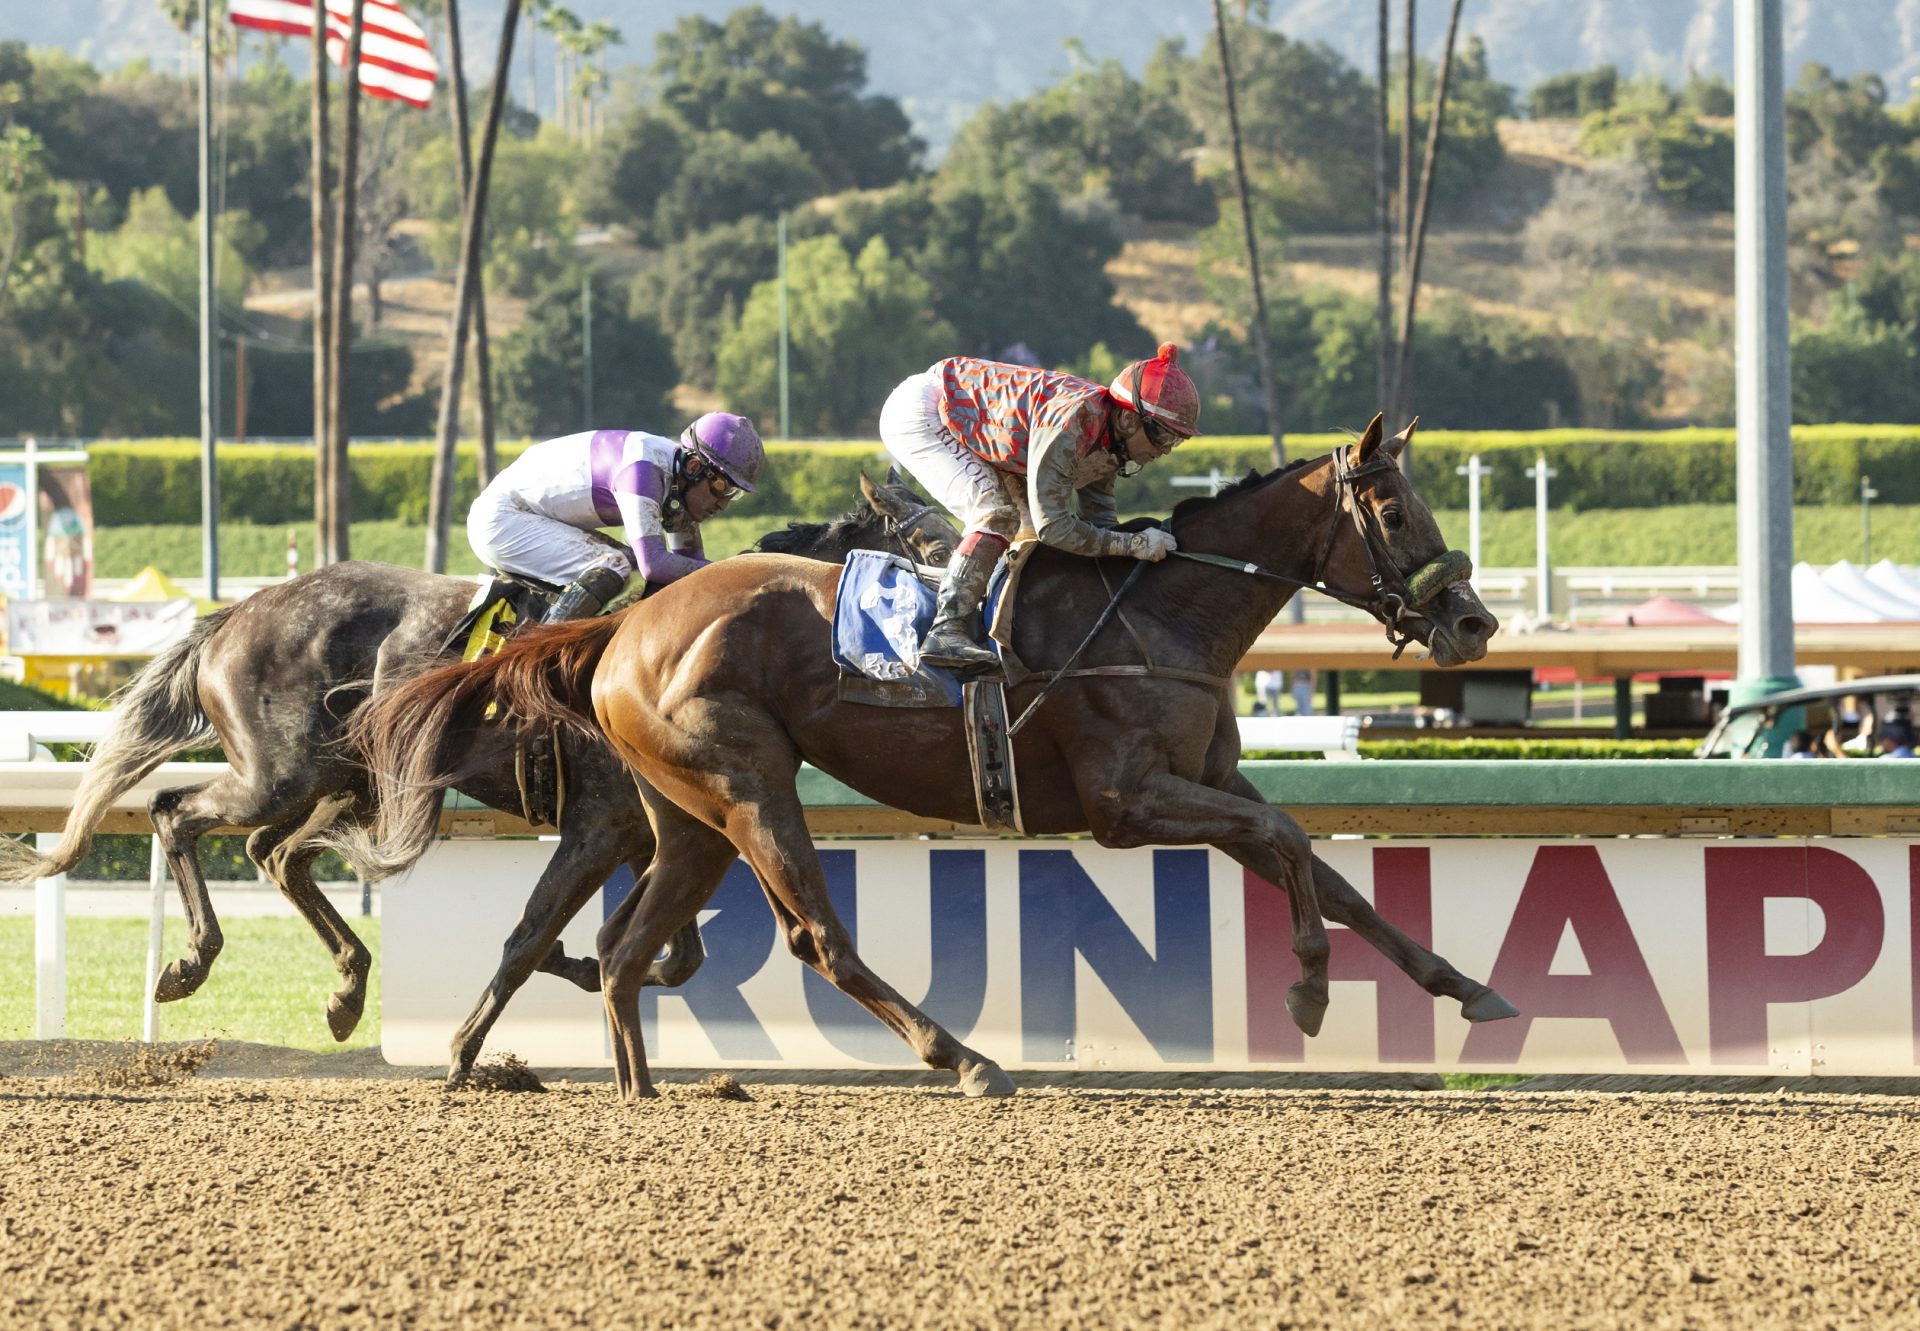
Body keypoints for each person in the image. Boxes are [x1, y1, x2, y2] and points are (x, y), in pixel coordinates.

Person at [878, 342, 1201, 671]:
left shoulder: (1110, 435)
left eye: (1175, 441)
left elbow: (1100, 523)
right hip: (924, 411)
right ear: (1131, 420)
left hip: (974, 422)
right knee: (998, 515)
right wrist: (1135, 544)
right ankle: (946, 630)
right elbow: (1055, 527)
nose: (1165, 451)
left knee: (1027, 533)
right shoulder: (1072, 425)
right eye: (1164, 438)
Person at [466, 413, 764, 622]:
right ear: (695, 466)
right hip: (503, 520)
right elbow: (655, 566)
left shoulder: (677, 477)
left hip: (532, 515)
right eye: (721, 487)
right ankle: (537, 662)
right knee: (616, 564)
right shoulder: (643, 472)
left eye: (732, 493)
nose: (723, 503)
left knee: (627, 566)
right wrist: (735, 573)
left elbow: (691, 564)